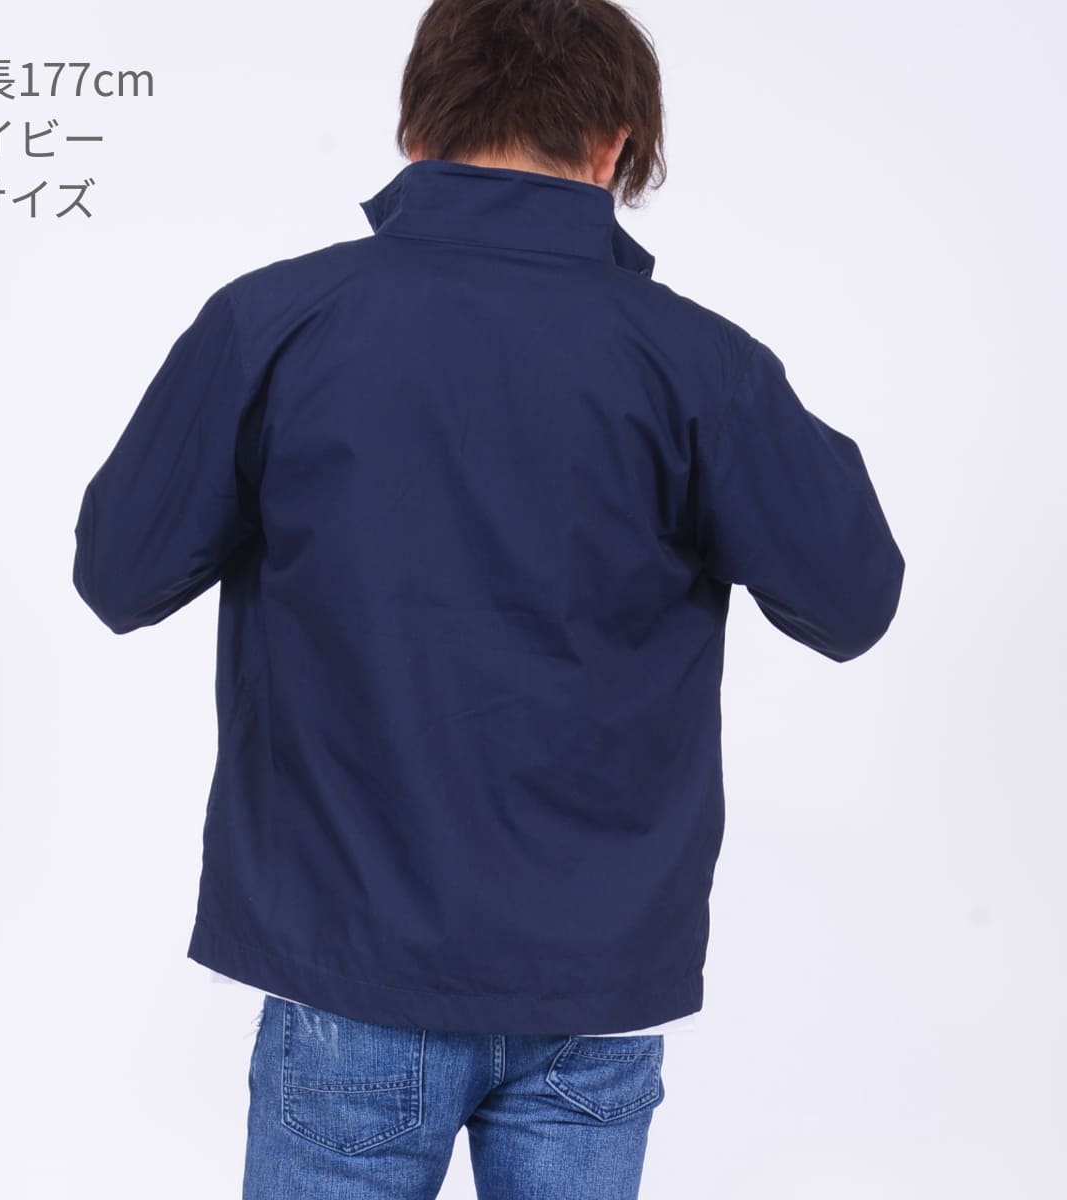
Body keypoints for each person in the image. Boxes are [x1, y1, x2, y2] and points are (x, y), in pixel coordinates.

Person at [71, 1, 905, 1196]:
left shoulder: (273, 324)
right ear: (617, 145)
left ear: (417, 130)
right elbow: (853, 597)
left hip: (350, 974)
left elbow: (119, 571)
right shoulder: (700, 366)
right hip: (592, 992)